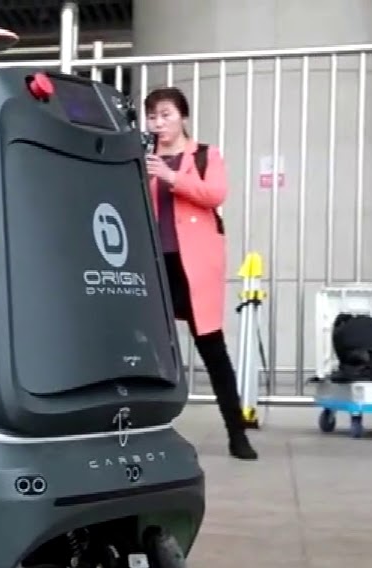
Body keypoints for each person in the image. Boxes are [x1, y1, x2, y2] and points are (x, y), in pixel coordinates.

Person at [144, 86, 257, 461]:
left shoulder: (206, 155)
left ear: (183, 117)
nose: (158, 123)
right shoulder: (143, 158)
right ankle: (146, 432)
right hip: (154, 263)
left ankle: (237, 433)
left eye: (166, 115)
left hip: (194, 265)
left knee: (212, 348)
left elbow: (215, 194)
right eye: (152, 116)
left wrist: (171, 177)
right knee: (148, 350)